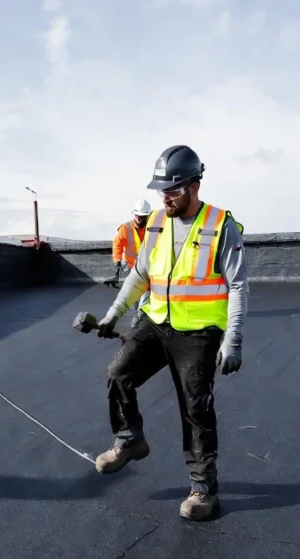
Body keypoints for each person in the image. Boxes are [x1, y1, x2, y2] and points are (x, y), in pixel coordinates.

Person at [92, 144, 248, 522]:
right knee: (118, 375)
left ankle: (203, 489)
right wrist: (112, 316)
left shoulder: (220, 225)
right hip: (156, 320)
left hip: (198, 332)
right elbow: (140, 274)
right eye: (161, 191)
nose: (166, 197)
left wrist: (233, 339)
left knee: (195, 407)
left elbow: (238, 285)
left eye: (173, 190)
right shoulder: (158, 222)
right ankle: (130, 439)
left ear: (195, 185)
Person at [112, 199, 153, 326]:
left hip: (148, 266)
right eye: (138, 216)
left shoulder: (153, 228)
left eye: (143, 217)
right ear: (133, 214)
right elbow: (117, 245)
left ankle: (141, 315)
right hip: (132, 266)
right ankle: (139, 310)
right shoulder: (125, 228)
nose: (140, 219)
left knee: (146, 289)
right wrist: (117, 261)